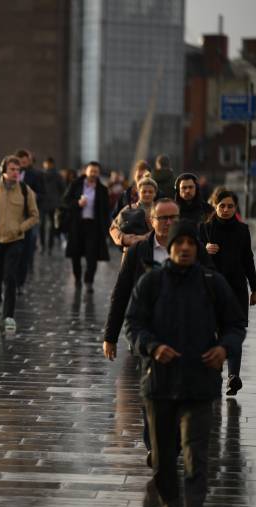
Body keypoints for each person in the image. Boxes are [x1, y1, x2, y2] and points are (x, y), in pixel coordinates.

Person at [125, 220, 246, 507]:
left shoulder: (212, 282)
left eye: (191, 243)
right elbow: (133, 325)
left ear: (196, 247)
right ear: (171, 246)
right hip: (159, 385)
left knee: (195, 456)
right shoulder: (152, 282)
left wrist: (224, 349)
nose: (185, 248)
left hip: (199, 384)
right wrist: (152, 347)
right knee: (163, 459)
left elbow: (235, 325)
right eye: (180, 243)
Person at [103, 198, 180, 467]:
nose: (168, 223)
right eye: (163, 218)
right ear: (151, 221)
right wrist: (110, 336)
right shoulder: (138, 251)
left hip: (183, 333)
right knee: (151, 391)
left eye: (173, 218)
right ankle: (154, 445)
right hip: (148, 334)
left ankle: (173, 442)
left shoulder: (189, 248)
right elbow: (121, 292)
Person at [201, 190, 256, 396]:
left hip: (237, 289)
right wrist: (204, 249)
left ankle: (233, 376)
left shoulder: (243, 230)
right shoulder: (205, 229)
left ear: (236, 208)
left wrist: (255, 289)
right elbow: (193, 258)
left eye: (230, 206)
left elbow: (248, 260)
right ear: (215, 206)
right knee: (214, 333)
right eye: (222, 206)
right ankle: (214, 375)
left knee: (234, 331)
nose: (226, 210)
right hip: (212, 290)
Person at [0, 156, 39, 333]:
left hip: (15, 240)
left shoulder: (26, 190)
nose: (15, 173)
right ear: (4, 170)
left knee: (10, 277)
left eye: (18, 170)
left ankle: (9, 316)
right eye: (12, 169)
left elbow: (34, 216)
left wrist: (21, 228)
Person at [61, 161, 110, 292]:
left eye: (96, 172)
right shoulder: (75, 184)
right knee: (75, 254)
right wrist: (77, 203)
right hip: (77, 225)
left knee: (92, 256)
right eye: (91, 171)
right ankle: (77, 278)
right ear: (85, 171)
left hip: (94, 226)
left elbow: (106, 211)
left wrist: (106, 230)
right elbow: (65, 201)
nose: (93, 174)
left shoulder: (102, 189)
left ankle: (89, 281)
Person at [16, 149, 45, 289]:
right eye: (20, 161)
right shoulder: (10, 174)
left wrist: (33, 195)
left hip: (28, 217)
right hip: (12, 218)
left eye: (25, 161)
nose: (23, 164)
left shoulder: (35, 175)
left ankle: (21, 280)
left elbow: (42, 194)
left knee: (28, 247)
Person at [109, 176, 158, 250]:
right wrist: (124, 239)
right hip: (130, 251)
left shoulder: (160, 209)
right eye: (144, 191)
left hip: (153, 250)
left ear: (155, 193)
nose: (147, 194)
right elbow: (113, 228)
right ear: (138, 192)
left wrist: (143, 238)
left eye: (150, 192)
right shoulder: (129, 208)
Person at [41, 157, 66, 254]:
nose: (47, 165)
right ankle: (45, 247)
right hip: (46, 203)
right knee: (44, 226)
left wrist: (59, 201)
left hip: (50, 204)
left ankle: (47, 247)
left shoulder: (56, 175)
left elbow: (62, 189)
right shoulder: (42, 174)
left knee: (50, 226)